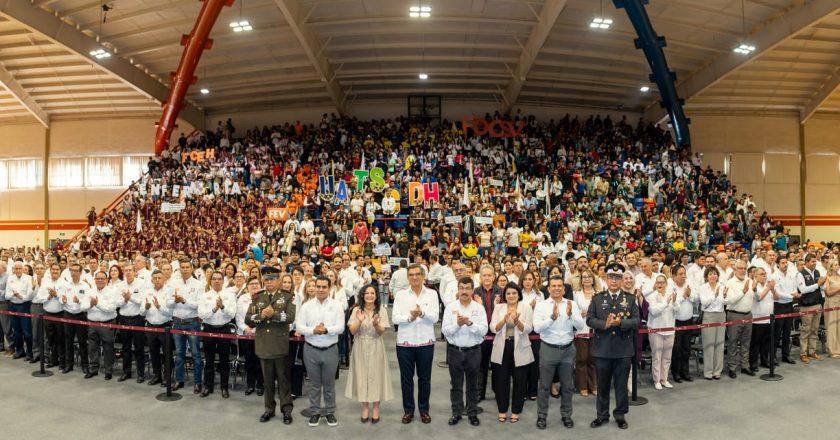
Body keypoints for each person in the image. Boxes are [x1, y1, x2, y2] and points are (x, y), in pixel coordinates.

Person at [587, 263, 639, 430]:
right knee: (602, 385)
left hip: (623, 349)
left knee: (621, 385)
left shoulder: (630, 299)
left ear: (622, 280)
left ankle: (620, 414)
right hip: (602, 349)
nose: (614, 280)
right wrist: (605, 324)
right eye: (611, 277)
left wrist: (621, 322)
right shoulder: (597, 298)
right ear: (606, 278)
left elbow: (637, 321)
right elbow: (589, 319)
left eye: (618, 277)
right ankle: (602, 415)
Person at [533, 275, 585, 430]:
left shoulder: (571, 304)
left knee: (567, 386)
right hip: (548, 349)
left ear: (563, 288)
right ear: (548, 289)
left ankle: (566, 415)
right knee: (544, 386)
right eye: (553, 286)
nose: (556, 288)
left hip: (568, 350)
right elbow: (537, 328)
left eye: (559, 286)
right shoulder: (542, 306)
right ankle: (542, 416)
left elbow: (581, 325)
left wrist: (570, 316)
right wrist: (552, 318)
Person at [246, 266, 296, 424]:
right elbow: (248, 319)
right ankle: (269, 409)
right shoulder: (257, 297)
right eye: (266, 279)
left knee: (283, 380)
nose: (269, 282)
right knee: (267, 381)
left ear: (279, 280)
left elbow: (290, 317)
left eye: (272, 279)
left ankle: (286, 410)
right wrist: (261, 316)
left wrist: (273, 314)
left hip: (279, 345)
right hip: (264, 345)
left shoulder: (287, 297)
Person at [296, 276, 345, 427]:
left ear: (329, 288)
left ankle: (330, 412)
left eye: (324, 287)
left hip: (330, 350)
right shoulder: (307, 306)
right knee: (314, 385)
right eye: (318, 286)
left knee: (329, 384)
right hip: (311, 350)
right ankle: (315, 412)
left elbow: (341, 327)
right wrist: (313, 330)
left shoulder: (336, 306)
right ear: (314, 287)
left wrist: (326, 329)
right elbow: (300, 327)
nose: (321, 290)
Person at [393, 264, 439, 424]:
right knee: (406, 379)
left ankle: (424, 410)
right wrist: (410, 318)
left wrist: (422, 313)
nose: (414, 277)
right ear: (408, 277)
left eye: (417, 274)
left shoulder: (432, 294)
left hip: (426, 342)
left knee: (424, 379)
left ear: (423, 276)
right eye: (411, 275)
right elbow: (395, 318)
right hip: (405, 343)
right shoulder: (401, 295)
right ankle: (408, 410)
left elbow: (435, 318)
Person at [441, 277, 488, 427]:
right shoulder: (450, 308)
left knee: (473, 385)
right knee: (456, 384)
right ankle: (456, 413)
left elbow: (483, 331)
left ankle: (472, 413)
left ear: (472, 290)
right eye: (462, 288)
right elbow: (445, 331)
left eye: (468, 288)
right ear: (458, 289)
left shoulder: (479, 308)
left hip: (474, 352)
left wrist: (469, 323)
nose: (465, 291)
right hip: (455, 351)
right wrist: (458, 324)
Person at [346, 284, 392, 424]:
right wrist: (359, 321)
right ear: (362, 295)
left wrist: (376, 324)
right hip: (359, 345)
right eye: (367, 293)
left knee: (376, 376)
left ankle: (376, 408)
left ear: (376, 295)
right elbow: (352, 331)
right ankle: (365, 407)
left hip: (375, 345)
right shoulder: (356, 311)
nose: (370, 295)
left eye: (372, 293)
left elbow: (381, 332)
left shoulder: (381, 310)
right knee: (362, 376)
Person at [490, 282, 533, 423]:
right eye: (508, 293)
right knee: (501, 381)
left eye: (514, 293)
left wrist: (517, 322)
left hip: (520, 347)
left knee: (520, 381)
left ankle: (516, 411)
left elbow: (528, 329)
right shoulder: (498, 307)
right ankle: (502, 410)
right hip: (502, 347)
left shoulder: (526, 308)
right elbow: (493, 328)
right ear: (504, 295)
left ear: (518, 294)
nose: (511, 295)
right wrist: (504, 320)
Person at [167, 259, 204, 393]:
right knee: (179, 354)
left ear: (192, 268)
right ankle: (179, 380)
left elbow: (198, 304)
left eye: (187, 267)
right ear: (179, 269)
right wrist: (174, 301)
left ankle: (197, 383)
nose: (185, 269)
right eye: (182, 267)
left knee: (196, 355)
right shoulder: (173, 283)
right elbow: (168, 303)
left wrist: (183, 300)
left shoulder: (199, 284)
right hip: (177, 321)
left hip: (192, 322)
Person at [198, 271, 237, 398]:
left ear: (223, 281)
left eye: (219, 279)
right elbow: (202, 315)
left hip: (224, 329)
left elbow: (232, 314)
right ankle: (208, 386)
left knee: (224, 361)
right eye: (214, 279)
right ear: (210, 281)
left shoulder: (230, 295)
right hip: (209, 329)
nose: (216, 281)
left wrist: (223, 307)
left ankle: (224, 388)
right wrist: (215, 309)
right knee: (208, 360)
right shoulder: (205, 295)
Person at [473, 264, 502, 402]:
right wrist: (480, 306)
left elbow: (503, 312)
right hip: (481, 335)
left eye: (489, 275)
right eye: (484, 275)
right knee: (481, 365)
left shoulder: (501, 292)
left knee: (497, 365)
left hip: (497, 334)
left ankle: (498, 392)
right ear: (480, 277)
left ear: (494, 276)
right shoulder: (475, 292)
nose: (487, 278)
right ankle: (480, 392)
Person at [83, 271, 118, 380]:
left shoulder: (112, 292)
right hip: (92, 323)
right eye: (98, 279)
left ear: (107, 280)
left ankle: (108, 370)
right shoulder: (90, 291)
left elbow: (111, 309)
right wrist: (90, 305)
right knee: (92, 347)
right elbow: (82, 307)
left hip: (107, 324)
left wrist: (97, 304)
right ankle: (93, 369)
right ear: (95, 280)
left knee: (108, 348)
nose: (100, 281)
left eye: (102, 278)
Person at [141, 270, 173, 385]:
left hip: (165, 326)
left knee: (167, 354)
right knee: (153, 353)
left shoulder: (169, 292)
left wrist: (160, 307)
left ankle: (167, 377)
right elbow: (141, 313)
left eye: (159, 278)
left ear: (164, 279)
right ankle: (156, 375)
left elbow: (171, 313)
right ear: (152, 280)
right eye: (155, 278)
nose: (157, 280)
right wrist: (146, 307)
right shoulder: (147, 292)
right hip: (150, 326)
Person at [116, 264, 147, 383]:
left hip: (137, 318)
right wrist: (125, 300)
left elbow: (142, 302)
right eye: (126, 270)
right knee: (126, 347)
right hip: (124, 318)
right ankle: (126, 372)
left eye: (130, 270)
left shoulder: (141, 284)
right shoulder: (120, 285)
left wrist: (130, 298)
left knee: (139, 347)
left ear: (135, 272)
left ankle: (140, 374)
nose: (128, 272)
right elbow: (117, 303)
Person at [646, 274, 677, 389]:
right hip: (656, 330)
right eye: (658, 282)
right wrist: (666, 302)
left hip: (670, 329)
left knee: (667, 357)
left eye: (662, 282)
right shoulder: (651, 297)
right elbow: (654, 311)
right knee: (657, 357)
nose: (660, 285)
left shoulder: (670, 295)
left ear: (666, 284)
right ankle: (657, 380)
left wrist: (673, 302)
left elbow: (677, 310)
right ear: (655, 284)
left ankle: (664, 379)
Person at [723, 261, 753, 378]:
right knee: (733, 343)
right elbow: (730, 300)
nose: (743, 270)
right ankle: (732, 367)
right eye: (740, 268)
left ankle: (745, 366)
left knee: (746, 342)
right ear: (734, 270)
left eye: (745, 268)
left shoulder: (749, 281)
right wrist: (743, 292)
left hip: (748, 314)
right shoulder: (729, 283)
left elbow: (755, 297)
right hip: (735, 315)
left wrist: (754, 290)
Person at [236, 275, 264, 395]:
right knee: (249, 361)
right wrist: (245, 328)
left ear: (260, 285)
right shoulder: (242, 298)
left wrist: (256, 330)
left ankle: (260, 385)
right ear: (247, 286)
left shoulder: (265, 298)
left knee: (260, 361)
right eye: (252, 284)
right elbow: (238, 317)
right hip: (245, 334)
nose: (254, 286)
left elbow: (266, 317)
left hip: (260, 335)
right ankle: (250, 385)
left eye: (256, 284)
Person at [34, 263, 65, 369]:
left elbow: (65, 300)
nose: (55, 271)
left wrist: (56, 295)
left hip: (60, 314)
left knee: (60, 339)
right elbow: (38, 298)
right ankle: (54, 360)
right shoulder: (45, 283)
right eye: (53, 269)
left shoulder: (64, 283)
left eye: (57, 269)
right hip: (47, 314)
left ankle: (62, 362)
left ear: (60, 271)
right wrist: (48, 297)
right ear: (50, 271)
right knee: (50, 339)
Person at [699, 267, 727, 380]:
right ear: (706, 276)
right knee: (709, 344)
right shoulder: (703, 287)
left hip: (720, 315)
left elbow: (725, 302)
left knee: (720, 344)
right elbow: (704, 303)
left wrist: (724, 296)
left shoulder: (722, 286)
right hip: (708, 316)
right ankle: (708, 372)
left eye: (715, 274)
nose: (713, 276)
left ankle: (717, 371)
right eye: (710, 274)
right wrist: (714, 296)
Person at [797, 253, 826, 363]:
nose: (815, 263)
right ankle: (803, 353)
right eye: (813, 261)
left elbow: (821, 288)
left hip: (817, 304)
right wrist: (817, 285)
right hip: (806, 306)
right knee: (806, 330)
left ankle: (812, 351)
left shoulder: (817, 272)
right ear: (807, 262)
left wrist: (822, 284)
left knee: (814, 330)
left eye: (815, 261)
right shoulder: (800, 274)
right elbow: (803, 290)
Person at [60, 263, 89, 374]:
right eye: (72, 270)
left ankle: (85, 365)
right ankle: (69, 365)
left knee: (82, 342)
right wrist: (62, 301)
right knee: (68, 341)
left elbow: (87, 303)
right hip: (68, 314)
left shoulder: (85, 286)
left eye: (76, 271)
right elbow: (61, 298)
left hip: (80, 315)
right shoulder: (67, 285)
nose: (74, 273)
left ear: (80, 273)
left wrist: (79, 301)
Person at [668, 265, 695, 383]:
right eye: (680, 274)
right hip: (676, 321)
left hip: (688, 320)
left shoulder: (689, 283)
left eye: (684, 273)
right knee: (676, 349)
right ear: (674, 276)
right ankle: (676, 373)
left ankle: (685, 372)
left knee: (686, 349)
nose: (684, 276)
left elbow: (696, 298)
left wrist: (690, 295)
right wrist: (683, 297)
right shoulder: (669, 285)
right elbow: (670, 302)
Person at [573, 269, 598, 396]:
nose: (587, 279)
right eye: (584, 277)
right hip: (581, 330)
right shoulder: (576, 294)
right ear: (581, 280)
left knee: (593, 359)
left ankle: (593, 385)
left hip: (596, 331)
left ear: (593, 279)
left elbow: (600, 312)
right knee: (581, 359)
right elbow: (575, 313)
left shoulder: (599, 294)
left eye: (589, 277)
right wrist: (586, 313)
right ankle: (582, 386)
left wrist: (587, 313)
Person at [5, 261, 34, 361]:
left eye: (19, 268)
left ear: (22, 269)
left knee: (27, 332)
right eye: (16, 269)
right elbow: (6, 295)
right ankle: (19, 351)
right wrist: (13, 295)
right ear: (13, 269)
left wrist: (21, 297)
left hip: (24, 306)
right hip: (13, 306)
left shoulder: (28, 278)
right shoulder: (10, 278)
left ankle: (29, 353)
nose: (17, 271)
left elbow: (30, 295)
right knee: (16, 331)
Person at [750, 267, 775, 371]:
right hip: (757, 319)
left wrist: (772, 289)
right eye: (762, 274)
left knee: (766, 342)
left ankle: (765, 361)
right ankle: (753, 363)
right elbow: (758, 298)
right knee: (756, 343)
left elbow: (777, 298)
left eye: (765, 273)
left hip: (769, 318)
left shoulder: (767, 285)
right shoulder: (754, 286)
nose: (764, 275)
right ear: (755, 276)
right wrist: (769, 288)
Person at [825, 262, 840, 358]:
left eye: (838, 264)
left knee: (839, 327)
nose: (838, 266)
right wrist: (839, 288)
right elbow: (828, 293)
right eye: (835, 265)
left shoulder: (839, 277)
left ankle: (839, 349)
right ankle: (832, 350)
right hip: (831, 303)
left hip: (839, 302)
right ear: (830, 267)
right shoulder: (827, 278)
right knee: (831, 327)